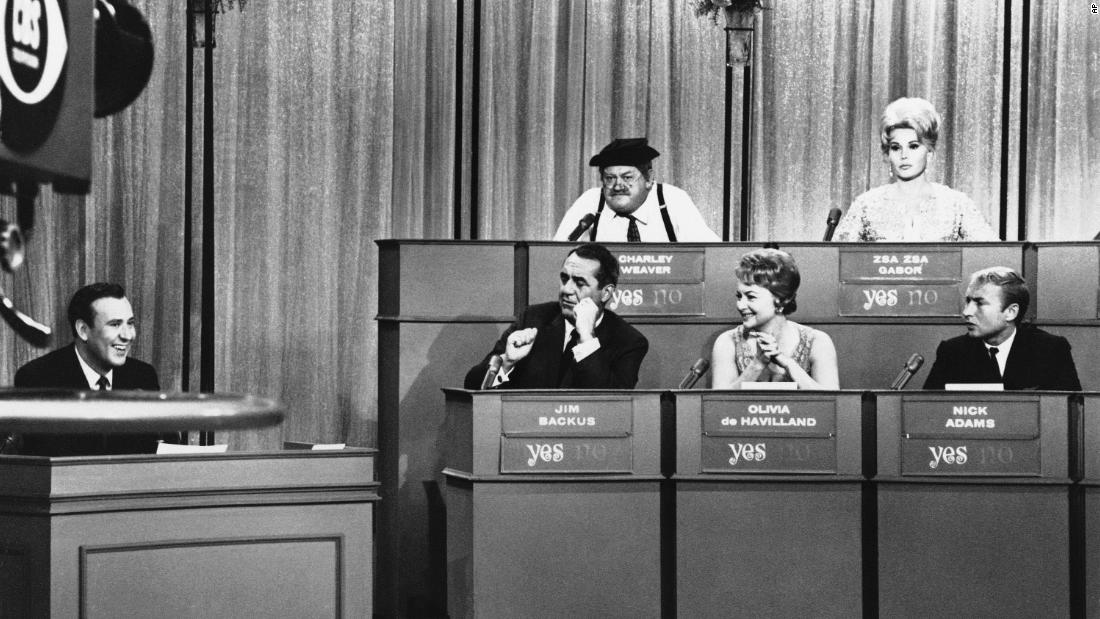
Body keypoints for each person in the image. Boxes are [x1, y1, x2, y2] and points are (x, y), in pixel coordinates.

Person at [13, 282, 171, 455]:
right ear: (83, 330)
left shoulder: (143, 376)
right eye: (115, 324)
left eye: (130, 323)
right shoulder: (38, 378)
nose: (128, 335)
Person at [464, 243, 649, 389]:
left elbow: (612, 403)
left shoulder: (629, 341)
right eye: (564, 278)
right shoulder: (533, 319)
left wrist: (586, 337)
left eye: (579, 282)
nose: (566, 289)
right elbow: (473, 385)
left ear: (606, 293)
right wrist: (507, 362)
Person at [834, 97, 997, 242]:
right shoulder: (866, 205)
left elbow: (995, 257)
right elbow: (834, 261)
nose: (904, 155)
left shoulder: (956, 204)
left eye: (913, 146)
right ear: (887, 154)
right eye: (896, 147)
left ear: (930, 153)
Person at [923, 267, 1081, 390]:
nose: (966, 312)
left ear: (1011, 312)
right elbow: (929, 412)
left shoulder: (1051, 350)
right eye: (968, 301)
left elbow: (1067, 416)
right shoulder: (951, 352)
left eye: (979, 303)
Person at [710, 249, 839, 389]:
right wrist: (757, 365)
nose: (740, 305)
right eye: (739, 296)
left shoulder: (817, 342)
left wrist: (787, 363)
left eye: (751, 297)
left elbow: (832, 404)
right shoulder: (727, 342)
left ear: (781, 299)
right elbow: (718, 404)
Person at [553, 137, 720, 243]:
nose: (618, 186)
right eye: (609, 178)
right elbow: (555, 254)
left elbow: (711, 254)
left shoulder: (672, 199)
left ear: (649, 179)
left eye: (627, 177)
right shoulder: (591, 202)